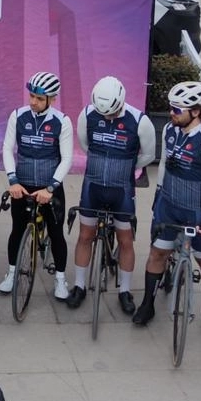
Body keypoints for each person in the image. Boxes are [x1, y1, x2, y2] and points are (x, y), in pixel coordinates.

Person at [132, 82, 201, 332]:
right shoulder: (169, 129)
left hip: (197, 211)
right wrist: (158, 194)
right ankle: (148, 304)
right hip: (168, 206)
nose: (171, 113)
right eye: (171, 108)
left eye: (177, 110)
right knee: (157, 254)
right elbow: (164, 163)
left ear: (196, 112)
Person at [73, 77, 155, 314]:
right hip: (92, 186)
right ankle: (79, 286)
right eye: (103, 114)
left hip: (122, 191)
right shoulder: (87, 115)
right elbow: (85, 145)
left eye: (111, 114)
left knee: (126, 240)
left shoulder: (140, 121)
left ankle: (125, 291)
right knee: (84, 236)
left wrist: (126, 166)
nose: (107, 118)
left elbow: (148, 155)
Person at [0, 72, 73, 301]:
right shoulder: (18, 115)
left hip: (49, 187)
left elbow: (67, 158)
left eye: (39, 98)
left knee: (56, 233)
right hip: (22, 186)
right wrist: (13, 181)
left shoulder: (62, 121)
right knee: (17, 230)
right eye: (31, 96)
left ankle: (60, 278)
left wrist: (50, 189)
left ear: (52, 99)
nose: (33, 102)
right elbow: (7, 149)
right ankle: (12, 273)